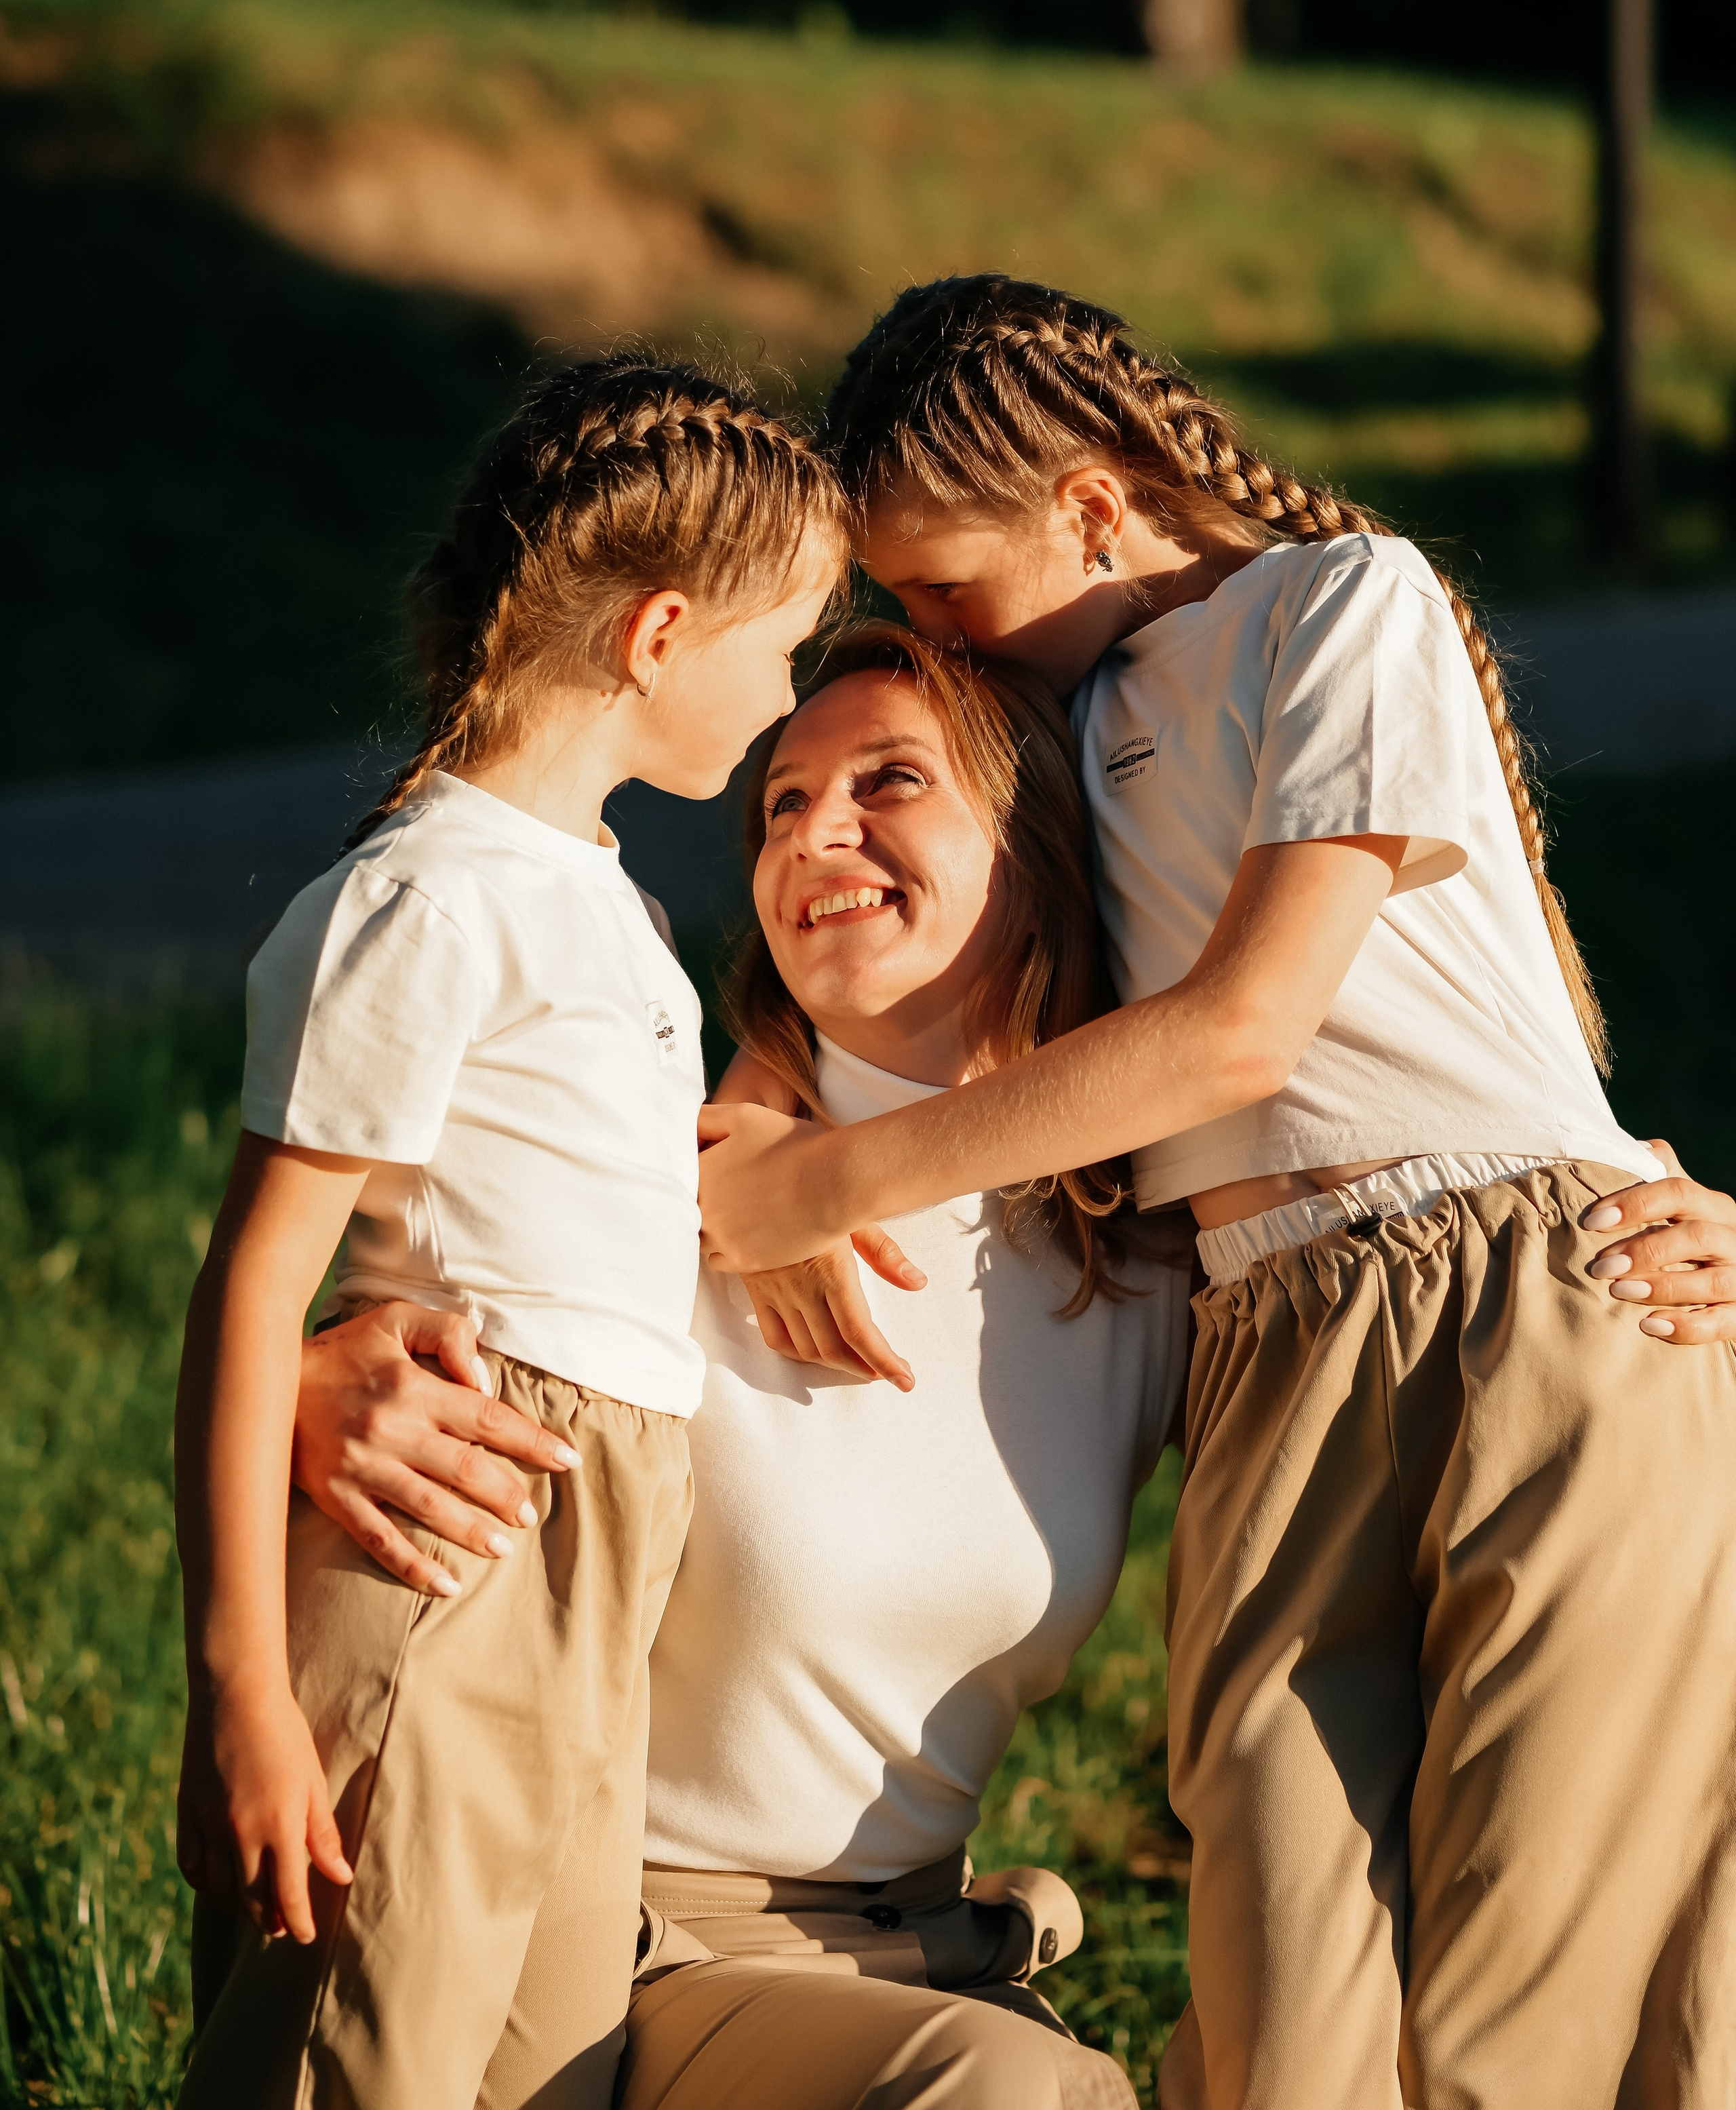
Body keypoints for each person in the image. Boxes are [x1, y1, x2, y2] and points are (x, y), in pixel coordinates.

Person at [698, 275, 1736, 2110]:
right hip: (1265, 1338)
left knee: (1533, 1988)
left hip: (1522, 1294)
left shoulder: (1341, 605)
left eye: (947, 592)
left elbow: (1248, 1026)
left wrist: (831, 1179)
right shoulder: (1062, 727)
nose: (930, 636)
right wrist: (759, 1095)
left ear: (1093, 506)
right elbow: (941, 966)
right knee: (1285, 1995)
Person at [289, 625, 1189, 2110]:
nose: (814, 831)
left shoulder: (1138, 1256)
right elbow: (367, 1320)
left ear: (1033, 840)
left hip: (923, 1949)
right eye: (781, 800)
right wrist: (308, 1382)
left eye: (889, 780)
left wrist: (1608, 1221)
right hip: (619, 1948)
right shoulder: (655, 1178)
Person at [173, 358, 847, 2110]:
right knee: (362, 2056)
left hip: (599, 1572)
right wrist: (244, 1689)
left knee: (546, 2067)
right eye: (784, 651)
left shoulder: (605, 905)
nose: (787, 699)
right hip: (448, 1560)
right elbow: (257, 1279)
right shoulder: (426, 899)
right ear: (658, 635)